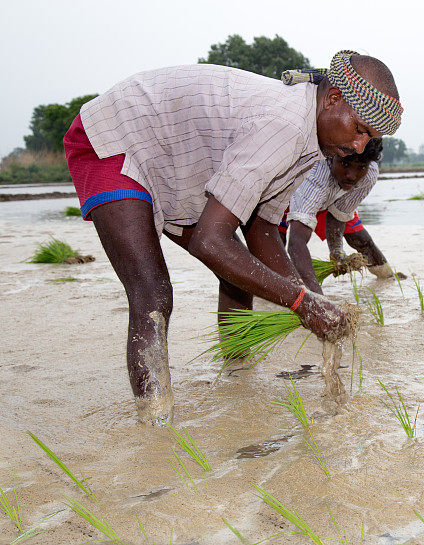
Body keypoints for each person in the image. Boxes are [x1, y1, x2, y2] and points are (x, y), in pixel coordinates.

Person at [63, 50, 403, 425]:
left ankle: (236, 377)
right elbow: (208, 242)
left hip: (179, 168)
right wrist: (302, 302)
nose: (359, 146)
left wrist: (312, 305)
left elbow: (261, 229)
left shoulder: (313, 142)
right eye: (359, 129)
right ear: (334, 97)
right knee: (152, 291)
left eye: (370, 137)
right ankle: (154, 428)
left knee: (236, 270)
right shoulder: (285, 125)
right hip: (119, 136)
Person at [280, 138, 395, 294]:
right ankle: (281, 285)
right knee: (275, 243)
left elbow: (339, 216)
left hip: (331, 199)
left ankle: (388, 278)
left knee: (362, 240)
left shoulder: (368, 174)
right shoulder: (317, 178)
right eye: (345, 164)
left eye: (361, 167)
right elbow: (296, 242)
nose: (352, 176)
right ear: (332, 157)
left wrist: (337, 252)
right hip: (288, 198)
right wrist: (318, 300)